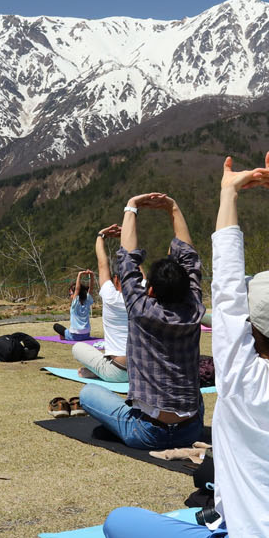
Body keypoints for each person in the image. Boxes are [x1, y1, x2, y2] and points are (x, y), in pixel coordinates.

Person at [101, 155, 269, 538]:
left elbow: (228, 286)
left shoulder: (240, 373)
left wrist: (229, 191)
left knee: (118, 523)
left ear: (253, 328)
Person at [77, 190, 206, 450]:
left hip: (147, 431)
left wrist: (131, 207)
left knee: (88, 394)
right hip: (191, 429)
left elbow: (126, 259)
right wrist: (173, 208)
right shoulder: (194, 310)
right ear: (187, 289)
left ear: (150, 290)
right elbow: (190, 260)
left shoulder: (141, 309)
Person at [73, 227, 131, 383]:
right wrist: (127, 237)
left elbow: (102, 264)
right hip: (145, 371)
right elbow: (135, 262)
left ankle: (99, 371)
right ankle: (99, 369)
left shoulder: (111, 296)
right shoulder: (144, 294)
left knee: (77, 347)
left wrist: (101, 236)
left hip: (119, 371)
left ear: (116, 280)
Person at [53, 269, 94, 341]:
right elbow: (91, 288)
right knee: (67, 331)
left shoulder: (75, 303)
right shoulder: (87, 301)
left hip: (75, 336)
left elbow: (77, 289)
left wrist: (79, 275)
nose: (70, 296)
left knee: (56, 326)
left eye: (70, 294)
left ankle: (65, 336)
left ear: (75, 293)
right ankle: (65, 335)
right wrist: (91, 275)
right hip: (86, 335)